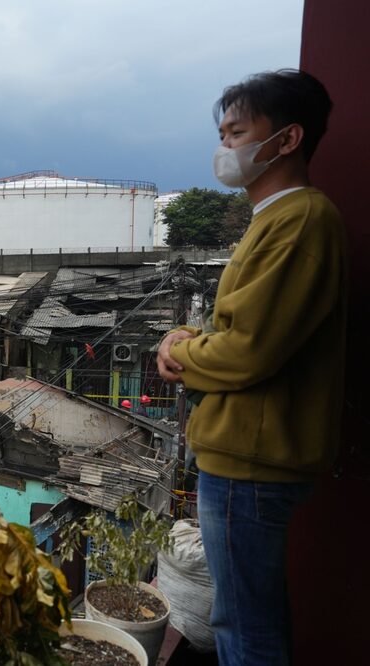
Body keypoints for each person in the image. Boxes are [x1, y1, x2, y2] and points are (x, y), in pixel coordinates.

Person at [157, 70, 345, 666]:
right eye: (222, 133)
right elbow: (243, 330)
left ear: (286, 140)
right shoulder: (275, 219)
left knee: (242, 624)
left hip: (252, 462)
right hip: (246, 457)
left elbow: (248, 352)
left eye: (238, 132)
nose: (225, 148)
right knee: (248, 613)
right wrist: (192, 336)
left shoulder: (299, 222)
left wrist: (178, 354)